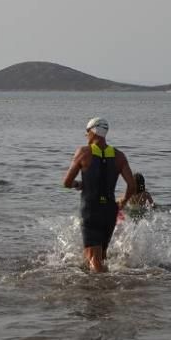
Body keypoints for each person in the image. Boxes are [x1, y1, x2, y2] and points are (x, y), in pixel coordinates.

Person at [63, 117, 136, 273]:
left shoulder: (83, 152)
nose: (86, 135)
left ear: (93, 131)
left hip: (91, 210)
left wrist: (78, 184)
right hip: (110, 211)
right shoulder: (119, 156)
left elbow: (66, 182)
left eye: (87, 132)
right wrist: (123, 201)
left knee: (93, 259)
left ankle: (102, 290)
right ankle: (107, 287)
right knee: (101, 256)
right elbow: (132, 185)